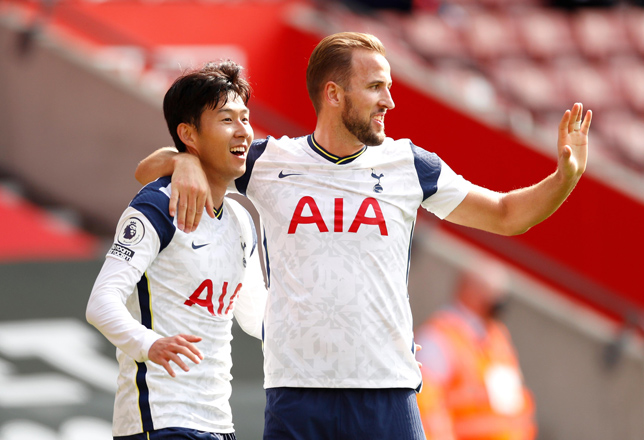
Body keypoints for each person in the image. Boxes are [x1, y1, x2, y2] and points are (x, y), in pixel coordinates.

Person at [134, 32, 591, 440]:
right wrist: (187, 161)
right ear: (334, 94)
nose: (389, 101)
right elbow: (148, 168)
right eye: (376, 87)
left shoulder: (411, 165)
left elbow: (508, 215)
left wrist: (565, 177)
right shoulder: (267, 162)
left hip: (386, 391)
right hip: (297, 391)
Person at [86, 60, 267, 440]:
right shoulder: (156, 205)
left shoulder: (240, 218)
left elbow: (255, 317)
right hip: (159, 419)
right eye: (227, 119)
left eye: (245, 118)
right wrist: (150, 344)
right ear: (188, 133)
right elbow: (101, 303)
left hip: (218, 422)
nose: (243, 132)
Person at [415, 261, 536, 440]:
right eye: (492, 291)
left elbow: (514, 405)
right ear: (469, 290)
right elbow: (426, 409)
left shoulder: (497, 338)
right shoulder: (438, 337)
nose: (498, 299)